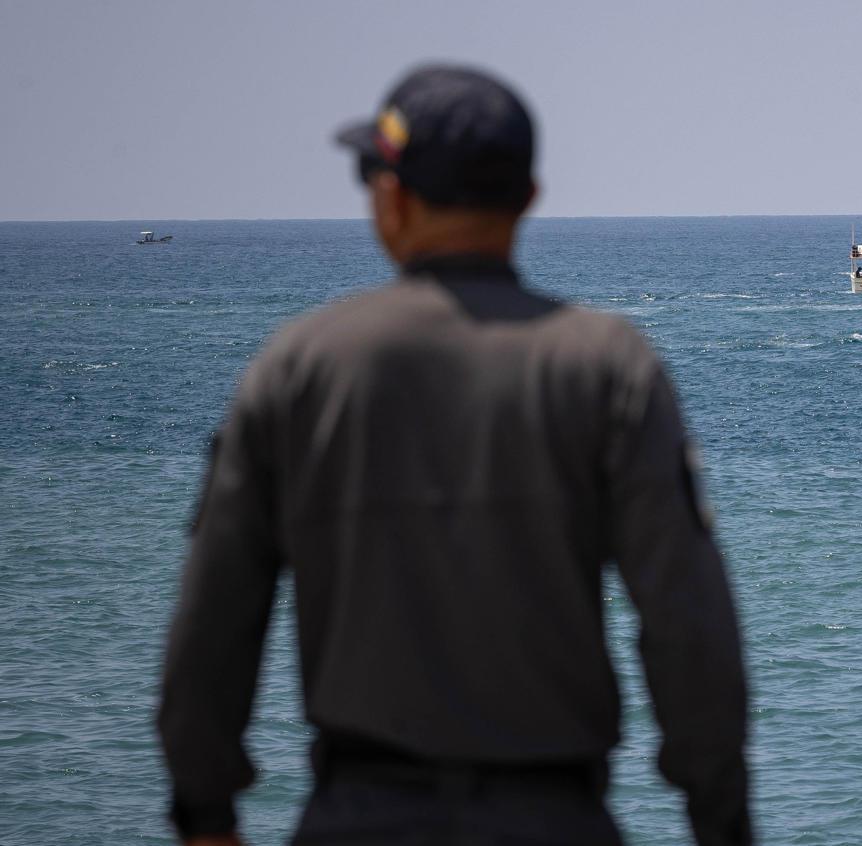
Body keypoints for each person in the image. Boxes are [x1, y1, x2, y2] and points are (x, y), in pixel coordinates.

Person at [157, 66, 751, 846]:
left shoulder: (299, 366)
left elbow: (214, 623)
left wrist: (206, 814)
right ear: (528, 199)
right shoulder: (607, 367)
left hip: (356, 818)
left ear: (392, 196)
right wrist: (721, 822)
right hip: (555, 820)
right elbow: (687, 624)